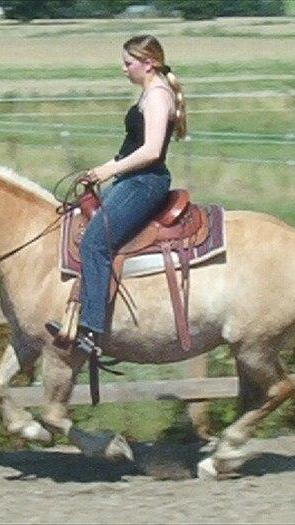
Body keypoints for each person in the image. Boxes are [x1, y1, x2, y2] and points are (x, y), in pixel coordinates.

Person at [77, 34, 187, 348]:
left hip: (144, 183)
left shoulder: (156, 97)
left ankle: (90, 328)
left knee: (95, 243)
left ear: (148, 63)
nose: (124, 69)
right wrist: (97, 171)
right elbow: (130, 150)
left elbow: (151, 151)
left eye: (128, 63)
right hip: (134, 179)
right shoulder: (149, 94)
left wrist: (108, 171)